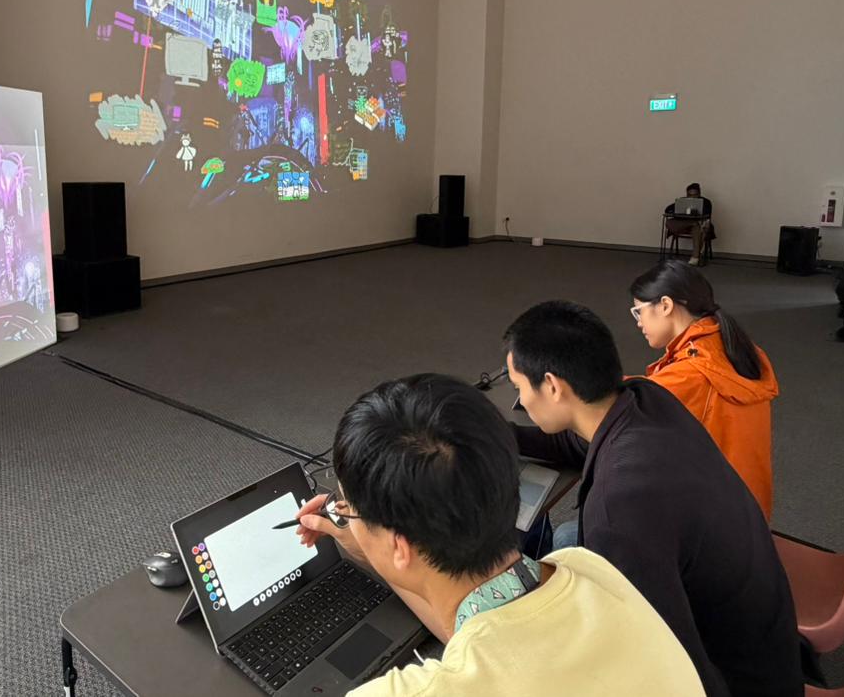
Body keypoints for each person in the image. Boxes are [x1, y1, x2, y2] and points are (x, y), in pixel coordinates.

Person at [297, 374, 704, 697]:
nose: (342, 514)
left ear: (399, 544)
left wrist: (387, 553)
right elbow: (489, 635)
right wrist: (380, 554)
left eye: (346, 508)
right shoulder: (589, 569)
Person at [504, 301, 800, 697]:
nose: (522, 401)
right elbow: (580, 442)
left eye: (519, 388)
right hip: (764, 645)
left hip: (733, 683)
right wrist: (502, 434)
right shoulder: (644, 399)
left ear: (553, 386)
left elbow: (672, 671)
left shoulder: (618, 509)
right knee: (568, 541)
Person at [631, 260, 780, 517]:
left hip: (712, 525)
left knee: (572, 533)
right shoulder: (735, 347)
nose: (638, 323)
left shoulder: (692, 373)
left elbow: (623, 406)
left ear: (665, 305)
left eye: (638, 312)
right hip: (747, 514)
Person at [664, 182, 715, 265]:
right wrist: (678, 209)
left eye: (695, 195)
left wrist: (695, 211)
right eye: (689, 195)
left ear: (699, 194)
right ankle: (693, 224)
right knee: (669, 222)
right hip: (684, 224)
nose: (692, 197)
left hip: (699, 225)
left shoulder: (706, 202)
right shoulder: (683, 201)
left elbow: (707, 215)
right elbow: (667, 209)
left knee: (698, 227)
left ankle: (695, 257)